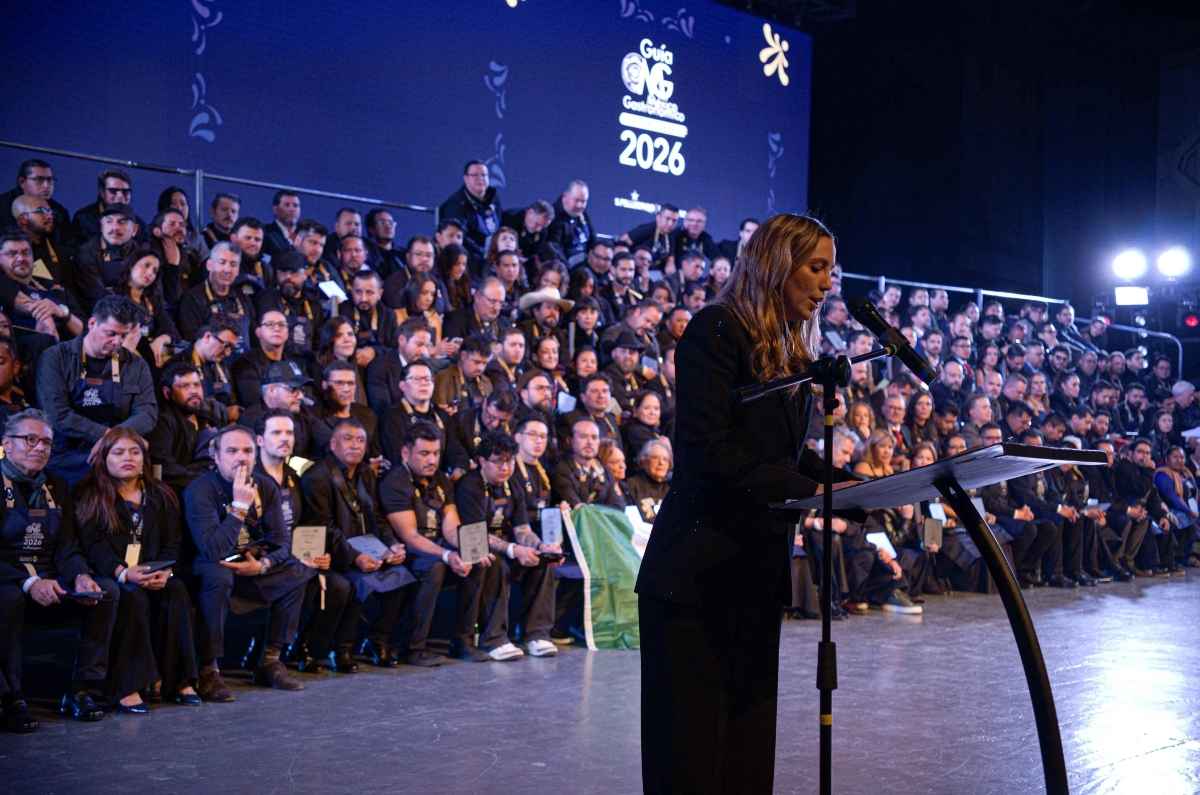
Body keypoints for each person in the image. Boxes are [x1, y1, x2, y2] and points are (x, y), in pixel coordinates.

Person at [637, 214, 853, 795]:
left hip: (755, 572)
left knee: (747, 748)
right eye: (815, 268)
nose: (827, 283)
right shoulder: (715, 331)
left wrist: (852, 489)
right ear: (776, 263)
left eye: (831, 270)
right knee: (690, 753)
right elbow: (710, 454)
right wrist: (811, 491)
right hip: (696, 576)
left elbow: (786, 455)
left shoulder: (787, 347)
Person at [0, 409, 118, 730]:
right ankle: (10, 699)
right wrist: (30, 582)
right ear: (6, 445)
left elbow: (67, 546)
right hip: (9, 578)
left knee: (104, 592)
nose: (39, 448)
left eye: (47, 443)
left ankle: (81, 689)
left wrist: (80, 573)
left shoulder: (57, 485)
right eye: (30, 440)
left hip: (50, 576)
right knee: (7, 599)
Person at [76, 428, 200, 712]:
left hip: (153, 571)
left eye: (135, 452)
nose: (128, 458)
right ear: (104, 457)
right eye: (118, 452)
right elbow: (92, 545)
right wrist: (122, 572)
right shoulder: (90, 494)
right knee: (131, 595)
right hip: (112, 574)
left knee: (177, 590)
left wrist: (165, 572)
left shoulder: (161, 494)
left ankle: (178, 681)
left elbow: (173, 542)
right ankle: (129, 685)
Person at [184, 425, 311, 701]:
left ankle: (269, 660)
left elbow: (281, 542)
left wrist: (263, 564)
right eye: (232, 451)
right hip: (210, 564)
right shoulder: (200, 490)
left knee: (299, 569)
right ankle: (209, 670)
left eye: (247, 451)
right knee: (218, 575)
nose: (241, 457)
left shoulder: (265, 486)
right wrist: (240, 507)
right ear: (216, 457)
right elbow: (211, 548)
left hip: (250, 562)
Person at [299, 418, 414, 673]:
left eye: (361, 440)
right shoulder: (317, 476)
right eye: (348, 439)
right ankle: (341, 649)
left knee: (403, 574)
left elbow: (378, 517)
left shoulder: (364, 473)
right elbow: (324, 527)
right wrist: (355, 557)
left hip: (368, 548)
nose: (355, 445)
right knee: (353, 582)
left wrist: (392, 545)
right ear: (333, 444)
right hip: (334, 554)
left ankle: (377, 641)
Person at [379, 420, 481, 667]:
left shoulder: (441, 480)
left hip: (435, 547)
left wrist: (470, 549)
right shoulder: (395, 482)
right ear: (406, 452)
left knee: (479, 561)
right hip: (406, 553)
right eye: (424, 453)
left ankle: (463, 641)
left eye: (436, 453)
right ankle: (414, 648)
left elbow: (451, 525)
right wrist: (447, 555)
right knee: (434, 568)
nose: (432, 460)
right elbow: (410, 536)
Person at [455, 430, 561, 660]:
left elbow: (522, 529)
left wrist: (541, 546)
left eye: (510, 461)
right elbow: (476, 534)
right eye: (498, 461)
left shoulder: (513, 483)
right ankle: (494, 638)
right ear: (482, 461)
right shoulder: (469, 485)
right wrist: (514, 550)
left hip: (509, 546)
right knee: (497, 564)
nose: (505, 467)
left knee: (543, 562)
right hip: (477, 548)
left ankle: (537, 634)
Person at [38, 296, 157, 482]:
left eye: (124, 335)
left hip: (119, 453)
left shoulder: (136, 364)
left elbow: (148, 413)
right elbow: (58, 415)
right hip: (69, 455)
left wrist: (111, 442)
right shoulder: (56, 357)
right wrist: (109, 437)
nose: (118, 342)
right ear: (92, 323)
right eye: (111, 333)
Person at [147, 362, 223, 493]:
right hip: (178, 492)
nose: (194, 391)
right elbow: (164, 468)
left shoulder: (206, 416)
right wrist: (205, 480)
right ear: (167, 393)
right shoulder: (162, 422)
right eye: (184, 386)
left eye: (197, 385)